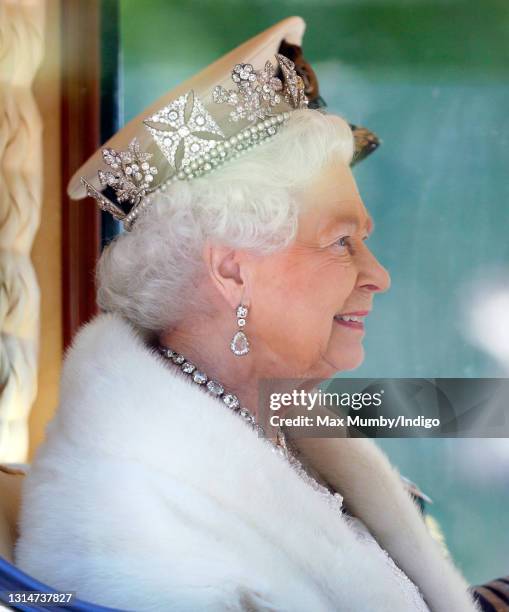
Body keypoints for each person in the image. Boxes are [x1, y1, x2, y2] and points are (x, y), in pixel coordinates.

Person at [14, 17, 481, 612]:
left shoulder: (271, 428)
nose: (378, 275)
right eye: (341, 242)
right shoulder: (138, 521)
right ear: (233, 272)